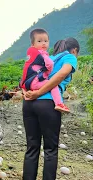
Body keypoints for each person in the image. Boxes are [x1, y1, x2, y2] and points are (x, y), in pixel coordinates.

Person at [22, 37, 80, 180]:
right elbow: (61, 74)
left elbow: (26, 75)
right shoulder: (70, 57)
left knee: (32, 147)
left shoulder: (45, 57)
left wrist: (29, 93)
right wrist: (39, 93)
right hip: (48, 104)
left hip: (29, 104)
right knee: (50, 149)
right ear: (75, 50)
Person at [20, 28, 69, 113]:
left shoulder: (31, 55)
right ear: (33, 44)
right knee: (53, 85)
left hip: (28, 83)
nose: (43, 43)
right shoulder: (42, 53)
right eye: (39, 41)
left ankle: (29, 95)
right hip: (36, 82)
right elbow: (50, 64)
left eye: (46, 41)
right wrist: (48, 72)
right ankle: (59, 104)